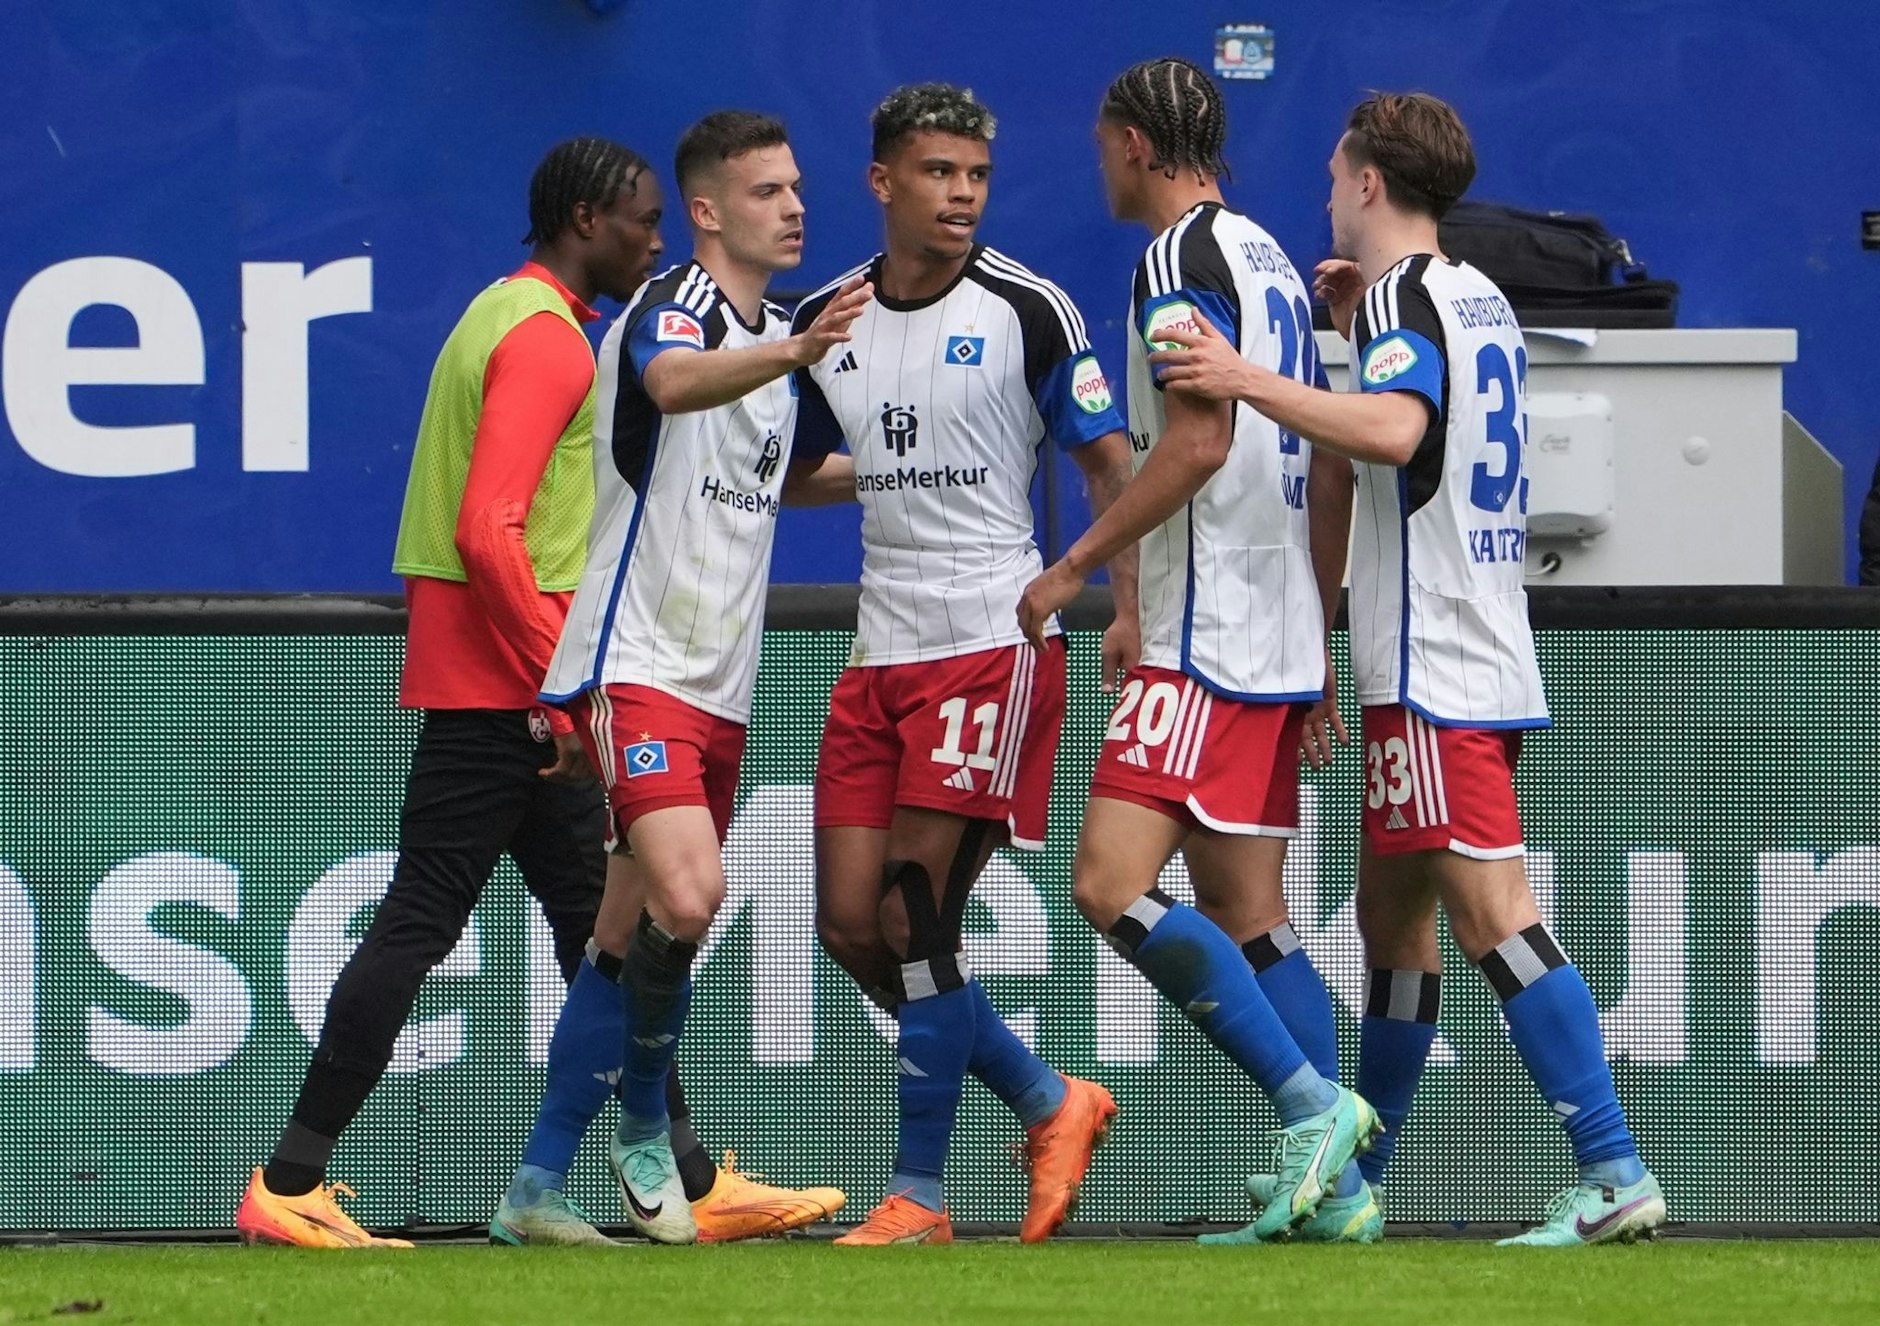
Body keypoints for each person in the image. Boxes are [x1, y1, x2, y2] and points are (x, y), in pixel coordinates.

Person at [1144, 90, 1667, 1246]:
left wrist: (1243, 376)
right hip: (1462, 649)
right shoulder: (1468, 292)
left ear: (1369, 183)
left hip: (1435, 666)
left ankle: (1610, 1166)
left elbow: (1391, 431)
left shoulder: (1399, 299)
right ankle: (1348, 1185)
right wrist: (1346, 341)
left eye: (1337, 177)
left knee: (1493, 916)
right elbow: (1397, 427)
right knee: (1392, 925)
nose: (1329, 194)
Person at [236, 137, 665, 1249]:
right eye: (642, 219)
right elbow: (488, 530)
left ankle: (680, 1178)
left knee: (602, 934)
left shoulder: (497, 313)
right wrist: (563, 691)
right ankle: (288, 1184)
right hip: (510, 696)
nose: (655, 241)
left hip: (497, 685)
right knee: (436, 923)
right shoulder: (548, 340)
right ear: (585, 218)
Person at [1018, 55, 1374, 1246]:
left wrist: (1076, 565)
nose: (1098, 165)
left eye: (1100, 146)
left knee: (1105, 886)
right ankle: (1340, 1194)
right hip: (1264, 633)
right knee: (1246, 911)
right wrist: (1312, 635)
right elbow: (1320, 461)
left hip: (1205, 638)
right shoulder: (1269, 258)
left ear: (1131, 144)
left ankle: (1312, 1109)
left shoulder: (1172, 261)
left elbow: (1197, 441)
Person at [790, 83, 1135, 1246]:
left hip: (991, 640)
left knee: (913, 916)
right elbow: (794, 468)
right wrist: (885, 470)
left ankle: (919, 1196)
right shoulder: (827, 317)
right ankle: (1048, 1098)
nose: (962, 195)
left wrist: (1120, 606)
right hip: (877, 649)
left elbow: (1109, 463)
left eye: (976, 176)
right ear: (881, 181)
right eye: (938, 173)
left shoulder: (1027, 308)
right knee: (850, 927)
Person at [530, 110, 872, 1247]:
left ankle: (532, 1189)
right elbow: (675, 384)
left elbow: (792, 474)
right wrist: (797, 353)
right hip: (636, 662)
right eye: (768, 191)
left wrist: (912, 467)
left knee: (621, 936)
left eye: (798, 188)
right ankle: (642, 1126)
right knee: (690, 898)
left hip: (721, 682)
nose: (796, 207)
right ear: (708, 210)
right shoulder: (674, 307)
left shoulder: (774, 340)